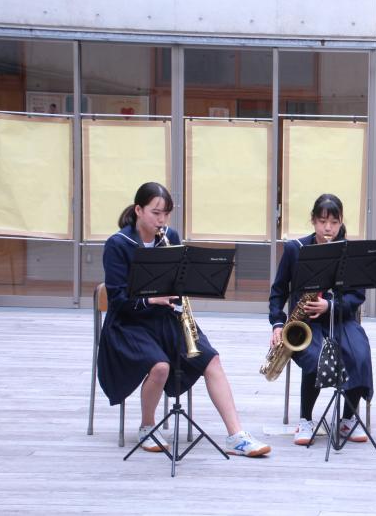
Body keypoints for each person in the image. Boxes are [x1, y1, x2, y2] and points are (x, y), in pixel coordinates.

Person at [97, 182, 270, 457]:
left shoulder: (170, 236)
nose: (162, 220)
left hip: (166, 318)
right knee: (160, 367)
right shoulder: (118, 244)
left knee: (211, 359)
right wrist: (150, 300)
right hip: (128, 323)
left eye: (166, 213)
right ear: (139, 210)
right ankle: (147, 427)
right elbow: (117, 300)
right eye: (156, 213)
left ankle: (236, 435)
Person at [269, 194, 373, 445]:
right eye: (323, 221)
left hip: (341, 319)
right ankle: (305, 419)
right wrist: (277, 323)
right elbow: (278, 290)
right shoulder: (295, 249)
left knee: (359, 355)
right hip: (305, 324)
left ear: (341, 222)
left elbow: (357, 296)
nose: (328, 228)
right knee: (315, 358)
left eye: (334, 222)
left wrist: (330, 305)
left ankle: (347, 419)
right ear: (313, 221)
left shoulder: (350, 252)